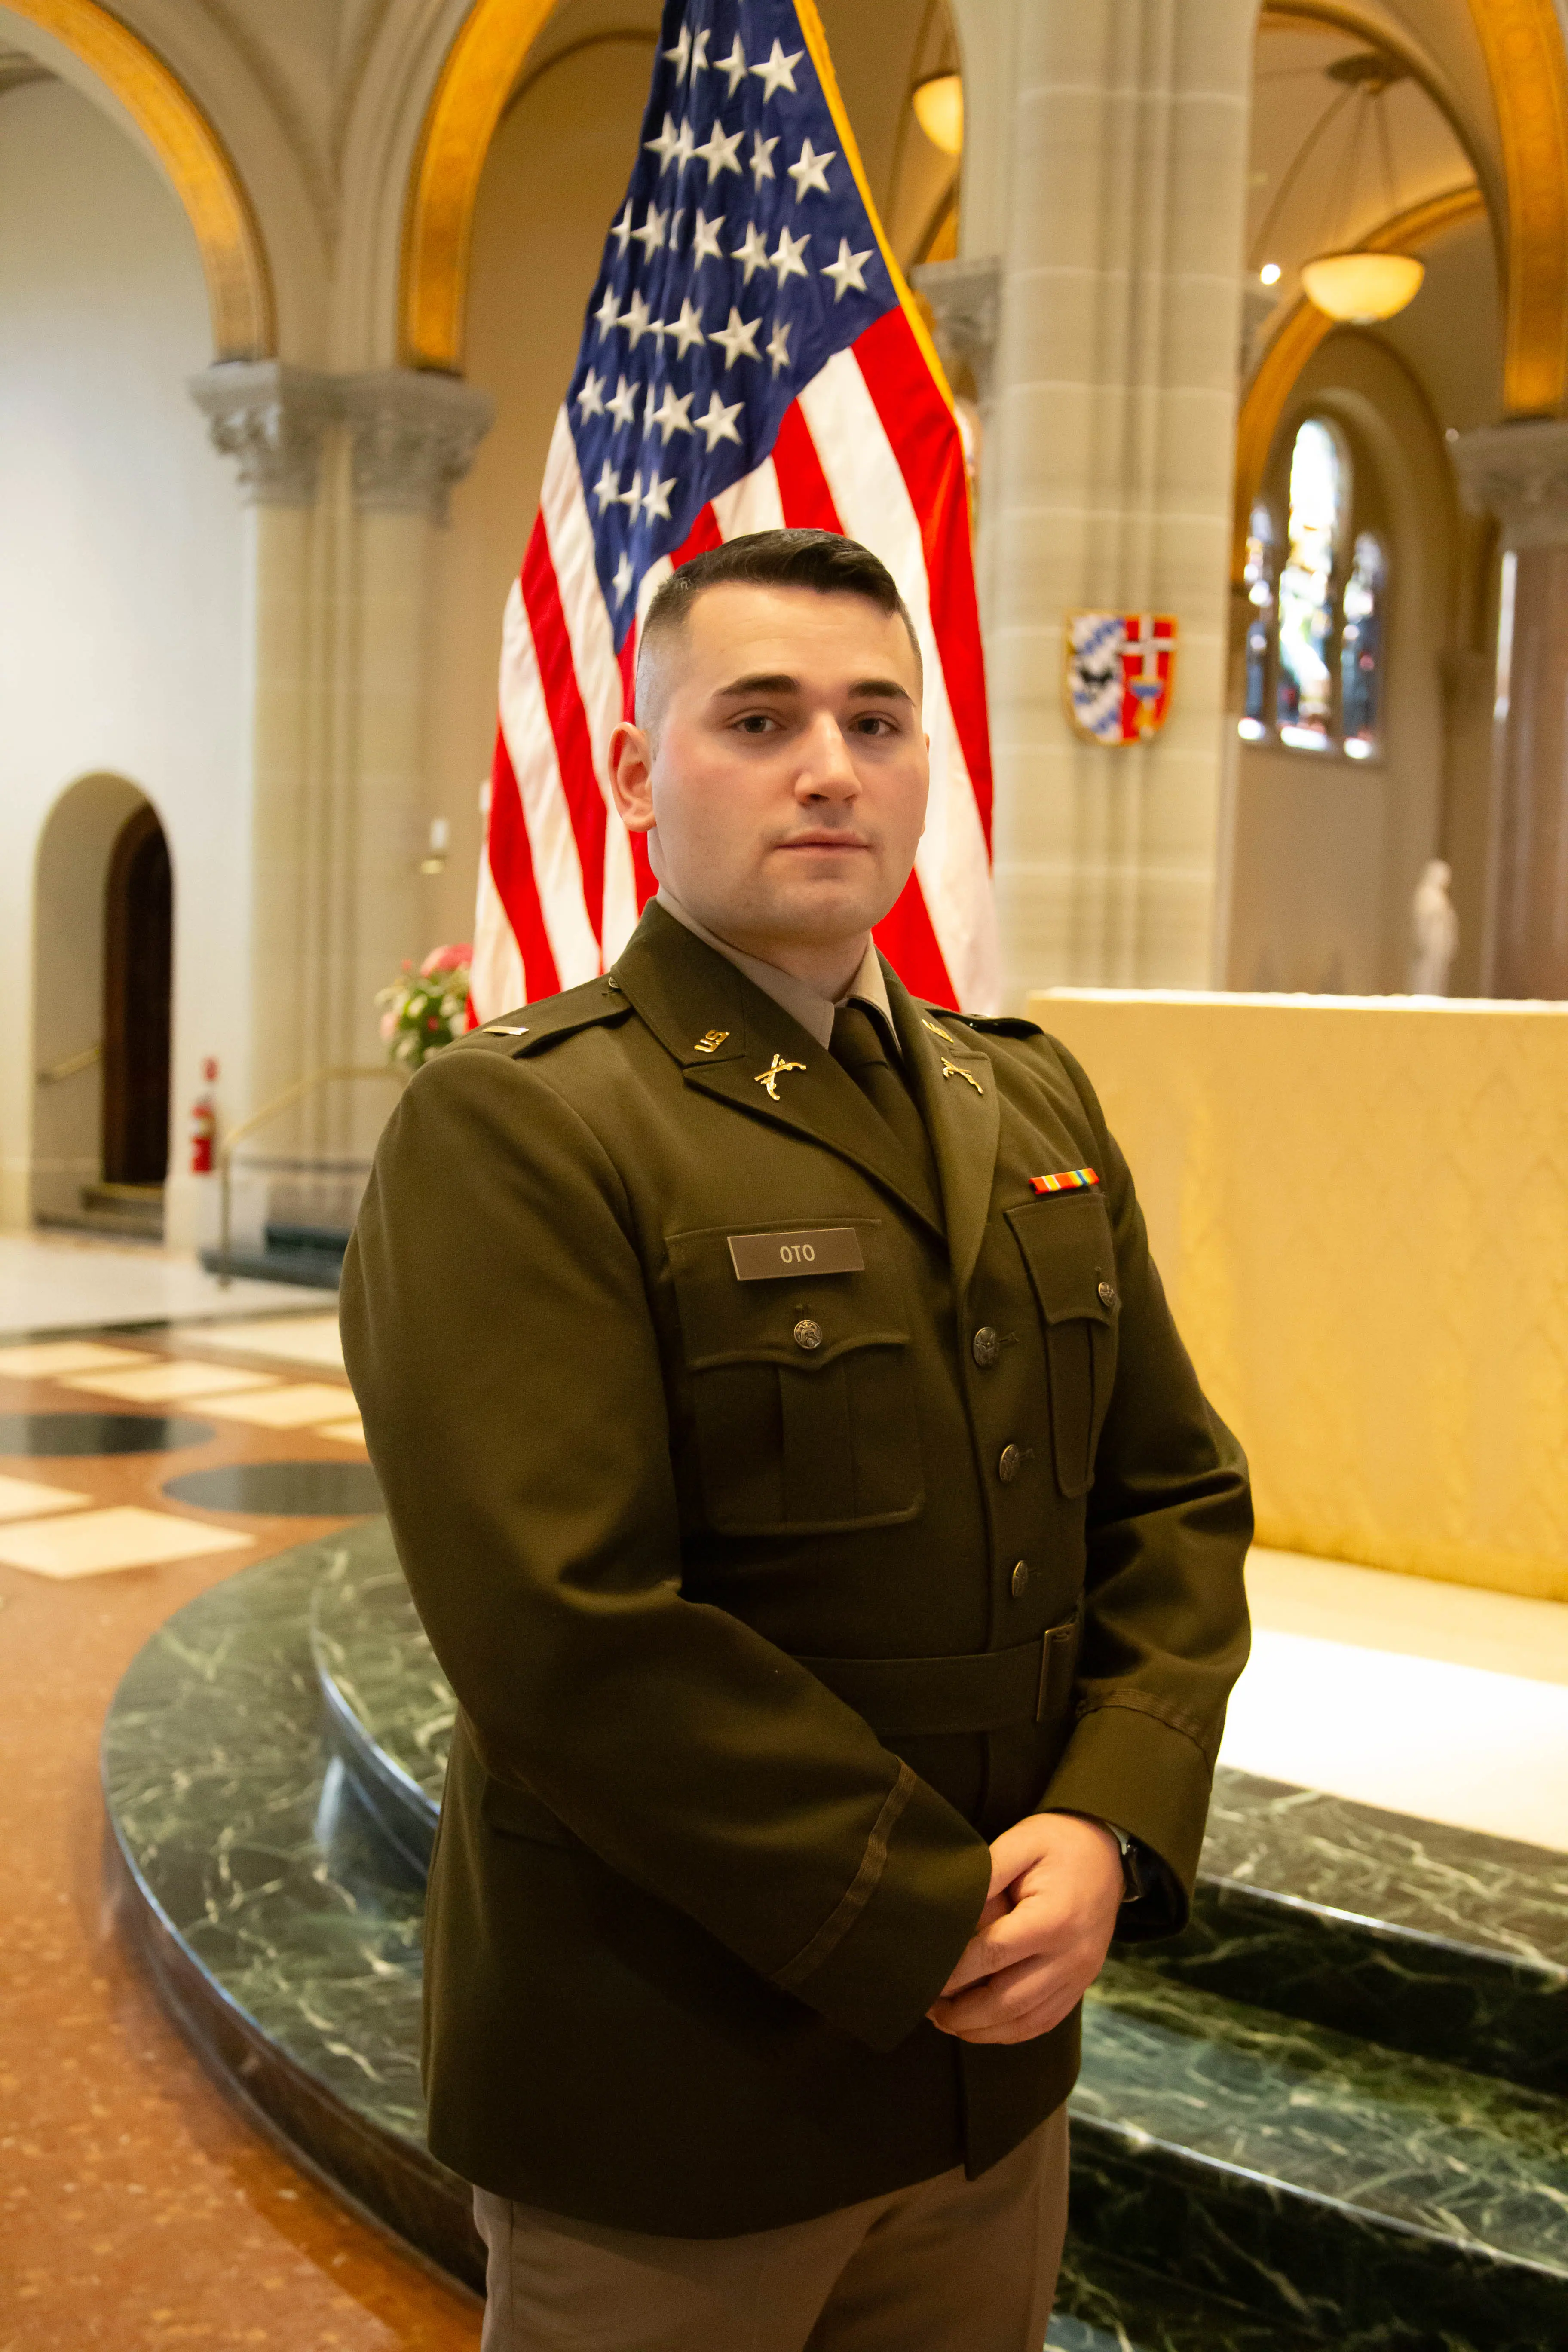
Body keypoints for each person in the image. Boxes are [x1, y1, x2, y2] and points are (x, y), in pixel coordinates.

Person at [340, 528, 1252, 2351]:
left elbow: (1174, 1498)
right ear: (631, 771)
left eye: (875, 719)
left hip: (990, 2087)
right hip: (677, 2077)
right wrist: (933, 1920)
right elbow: (565, 1630)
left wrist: (1106, 1822)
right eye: (758, 717)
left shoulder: (1029, 1090)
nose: (831, 765)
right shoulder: (528, 1128)